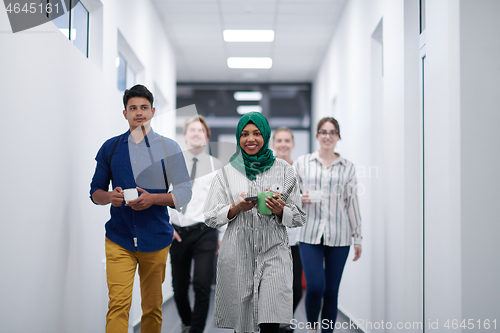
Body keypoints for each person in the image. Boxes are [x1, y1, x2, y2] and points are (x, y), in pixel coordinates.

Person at [90, 84, 192, 333]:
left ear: (153, 111)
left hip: (155, 239)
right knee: (118, 305)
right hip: (119, 238)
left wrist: (154, 199)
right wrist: (110, 197)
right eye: (133, 108)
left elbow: (184, 193)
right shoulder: (110, 148)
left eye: (144, 107)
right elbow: (95, 193)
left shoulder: (170, 149)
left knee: (152, 307)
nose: (139, 112)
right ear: (124, 113)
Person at [204, 112, 306, 333]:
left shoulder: (285, 170)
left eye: (257, 133)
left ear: (265, 135)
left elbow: (299, 216)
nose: (250, 139)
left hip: (274, 250)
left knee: (271, 319)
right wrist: (235, 207)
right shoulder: (227, 172)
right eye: (244, 134)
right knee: (243, 325)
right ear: (238, 138)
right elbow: (210, 216)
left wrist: (281, 211)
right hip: (238, 252)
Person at [294, 117, 362, 333]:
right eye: (323, 132)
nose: (327, 136)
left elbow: (352, 203)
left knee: (332, 291)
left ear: (338, 136)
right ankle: (312, 327)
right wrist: (299, 198)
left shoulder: (347, 167)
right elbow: (287, 194)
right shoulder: (302, 163)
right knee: (315, 287)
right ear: (317, 135)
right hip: (309, 234)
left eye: (332, 132)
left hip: (340, 235)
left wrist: (357, 237)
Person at [169, 115, 224, 333]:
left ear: (207, 136)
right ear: (184, 136)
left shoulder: (217, 167)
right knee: (179, 288)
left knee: (202, 285)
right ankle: (187, 322)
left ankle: (196, 330)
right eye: (192, 130)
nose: (196, 134)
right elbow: (160, 196)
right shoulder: (171, 164)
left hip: (206, 232)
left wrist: (221, 235)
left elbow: (224, 202)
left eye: (200, 131)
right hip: (178, 233)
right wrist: (167, 227)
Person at [271, 127, 303, 332]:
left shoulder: (301, 170)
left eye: (287, 141)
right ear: (273, 144)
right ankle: (274, 324)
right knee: (272, 288)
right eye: (279, 140)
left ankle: (285, 320)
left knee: (296, 289)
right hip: (272, 238)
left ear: (292, 144)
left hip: (296, 239)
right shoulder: (267, 169)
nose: (283, 144)